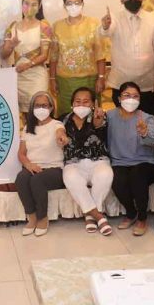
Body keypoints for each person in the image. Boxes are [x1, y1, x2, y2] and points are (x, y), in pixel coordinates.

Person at [100, 0, 154, 116]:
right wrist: (105, 26)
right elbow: (105, 32)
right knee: (122, 120)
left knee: (146, 121)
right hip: (120, 82)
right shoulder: (114, 18)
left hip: (147, 84)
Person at [107, 82, 154, 236]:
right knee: (117, 180)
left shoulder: (147, 117)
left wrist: (144, 133)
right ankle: (131, 213)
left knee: (137, 176)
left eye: (135, 96)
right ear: (119, 98)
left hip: (145, 161)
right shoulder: (109, 115)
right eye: (127, 95)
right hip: (119, 161)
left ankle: (142, 218)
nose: (131, 99)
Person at [60, 87, 113, 235]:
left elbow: (101, 132)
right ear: (72, 104)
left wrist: (98, 123)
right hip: (73, 163)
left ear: (93, 104)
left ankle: (89, 216)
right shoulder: (63, 119)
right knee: (70, 176)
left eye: (86, 101)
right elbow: (58, 131)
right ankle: (98, 216)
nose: (81, 105)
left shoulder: (101, 116)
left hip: (99, 161)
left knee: (105, 174)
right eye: (78, 101)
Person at [15, 92, 69, 237]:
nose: (41, 108)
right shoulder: (28, 128)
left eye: (44, 105)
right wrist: (28, 165)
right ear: (32, 108)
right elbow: (21, 153)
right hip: (33, 167)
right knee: (21, 178)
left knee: (37, 180)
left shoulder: (57, 124)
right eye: (37, 105)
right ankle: (31, 217)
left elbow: (60, 134)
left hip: (54, 169)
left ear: (51, 107)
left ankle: (42, 218)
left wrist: (62, 138)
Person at [49, 0, 106, 116]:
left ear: (82, 4)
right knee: (66, 116)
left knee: (90, 116)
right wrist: (52, 79)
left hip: (89, 80)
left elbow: (100, 54)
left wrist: (101, 78)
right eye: (69, 3)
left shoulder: (93, 24)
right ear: (64, 6)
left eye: (77, 2)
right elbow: (53, 56)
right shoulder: (57, 26)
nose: (73, 6)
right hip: (65, 82)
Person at [1, 0, 53, 114]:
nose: (29, 7)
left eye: (34, 4)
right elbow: (4, 54)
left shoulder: (44, 27)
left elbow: (44, 55)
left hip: (36, 76)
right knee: (20, 115)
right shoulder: (12, 26)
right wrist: (10, 46)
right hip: (18, 75)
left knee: (38, 111)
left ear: (39, 6)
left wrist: (28, 65)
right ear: (21, 4)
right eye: (26, 3)